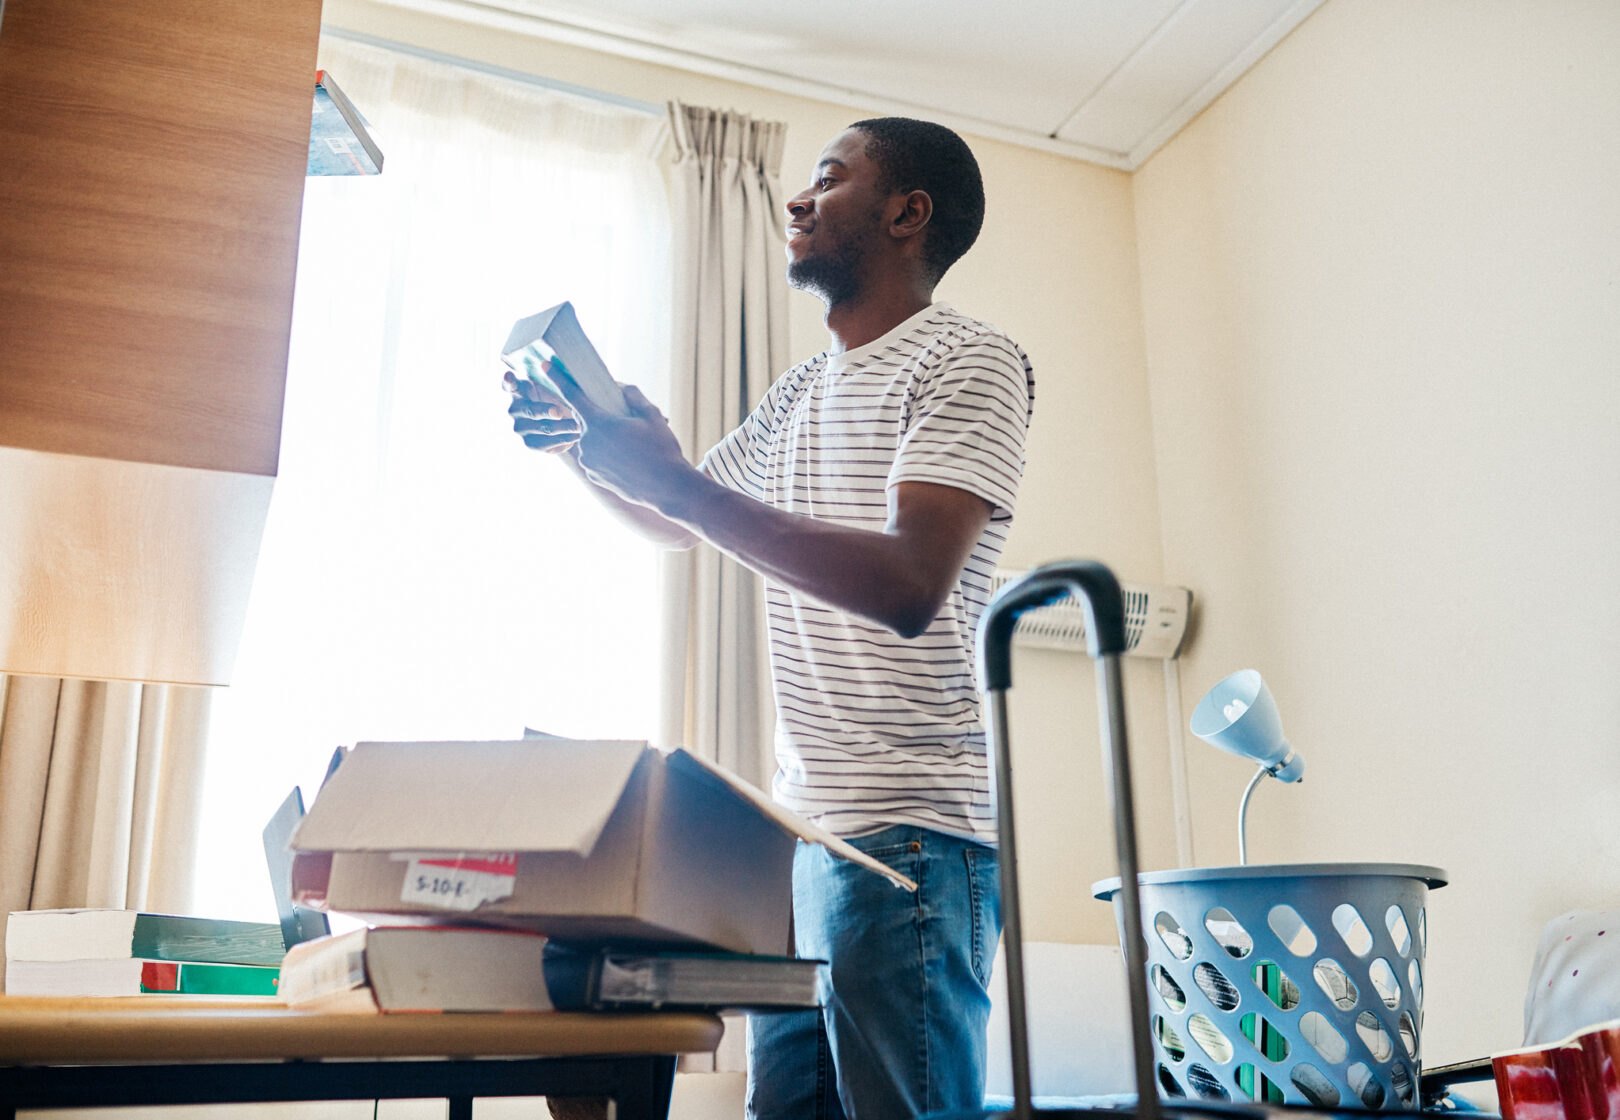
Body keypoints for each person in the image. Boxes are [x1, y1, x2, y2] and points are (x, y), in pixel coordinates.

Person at [506, 116, 1035, 1119]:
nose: (796, 200)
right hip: (804, 842)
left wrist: (676, 486)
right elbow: (683, 525)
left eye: (828, 181)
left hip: (911, 838)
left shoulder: (971, 360)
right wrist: (587, 451)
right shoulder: (796, 392)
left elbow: (910, 586)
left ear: (905, 213)